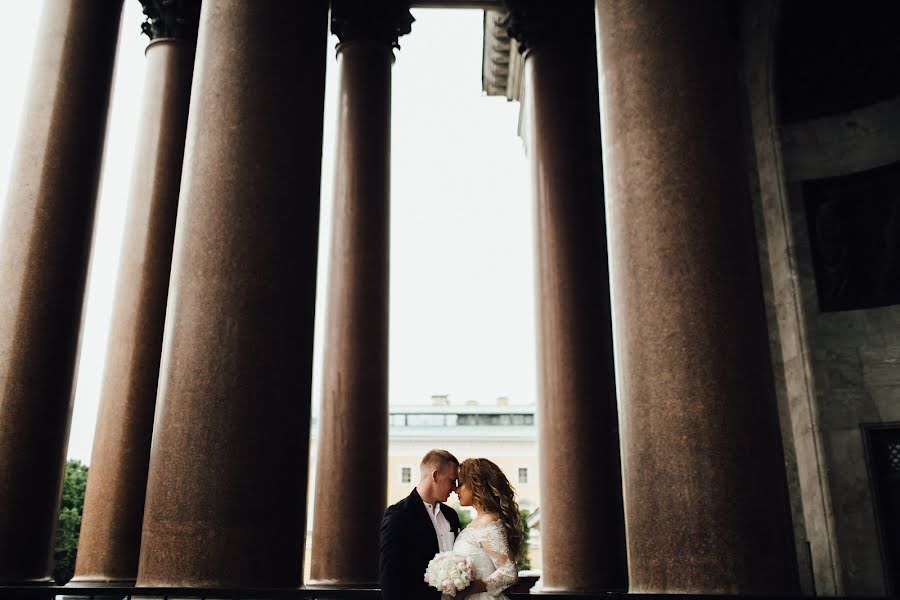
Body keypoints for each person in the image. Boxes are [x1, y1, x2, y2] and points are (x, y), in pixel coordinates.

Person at [379, 449, 462, 600]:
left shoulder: (451, 515)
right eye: (452, 480)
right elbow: (389, 577)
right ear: (435, 475)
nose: (455, 488)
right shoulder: (399, 515)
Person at [453, 458, 523, 599]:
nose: (456, 490)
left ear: (476, 484)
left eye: (460, 484)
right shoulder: (478, 522)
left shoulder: (489, 521)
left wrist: (470, 588)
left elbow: (509, 572)